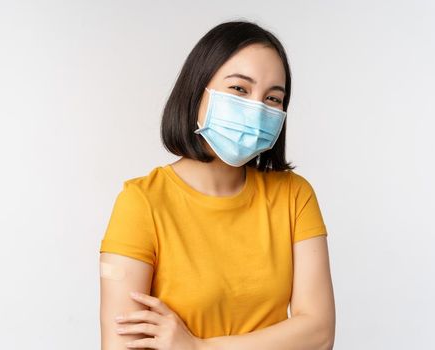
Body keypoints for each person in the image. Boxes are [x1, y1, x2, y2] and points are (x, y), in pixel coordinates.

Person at [98, 20, 335, 350]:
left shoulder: (295, 195)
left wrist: (197, 347)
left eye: (272, 98)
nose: (256, 108)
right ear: (197, 91)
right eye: (239, 89)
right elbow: (121, 345)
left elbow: (319, 334)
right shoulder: (142, 203)